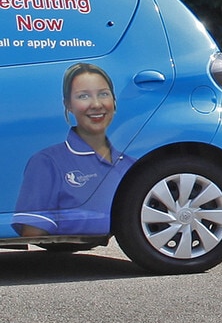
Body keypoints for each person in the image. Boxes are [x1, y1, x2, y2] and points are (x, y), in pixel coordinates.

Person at [13, 62, 133, 238]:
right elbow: (33, 235)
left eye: (103, 94)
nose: (97, 104)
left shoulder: (130, 164)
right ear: (68, 105)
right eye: (83, 96)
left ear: (114, 101)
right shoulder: (47, 162)